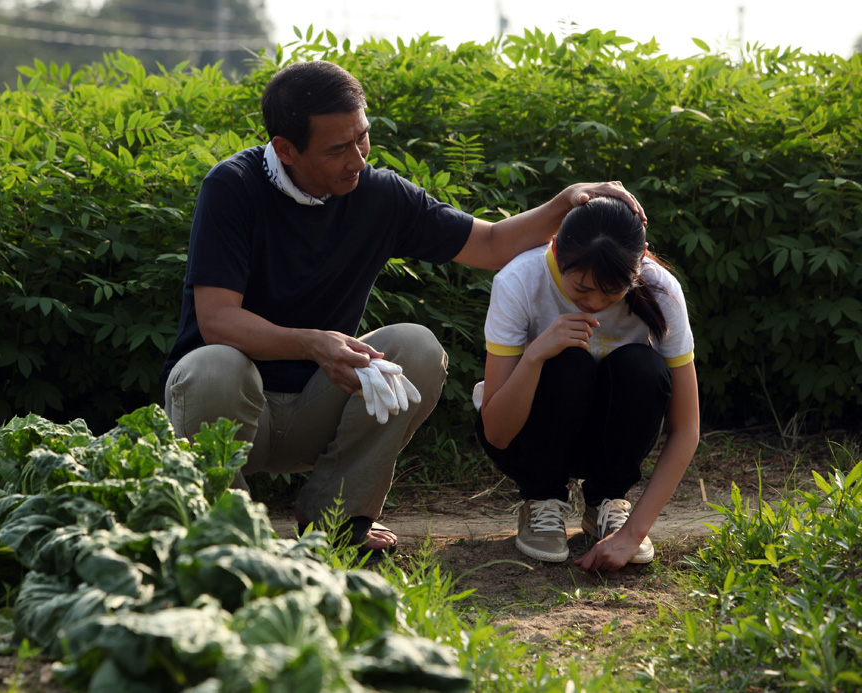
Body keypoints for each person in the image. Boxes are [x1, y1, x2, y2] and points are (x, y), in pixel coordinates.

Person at [159, 60, 645, 552]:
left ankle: (335, 519)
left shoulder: (377, 195)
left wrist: (564, 202)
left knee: (416, 347)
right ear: (285, 149)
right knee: (212, 365)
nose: (357, 158)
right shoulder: (233, 186)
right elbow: (217, 320)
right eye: (337, 148)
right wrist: (313, 344)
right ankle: (232, 533)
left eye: (362, 138)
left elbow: (492, 244)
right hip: (232, 410)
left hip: (314, 404)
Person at [473, 195, 699, 571]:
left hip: (607, 441)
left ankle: (607, 503)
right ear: (556, 248)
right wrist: (535, 355)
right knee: (567, 360)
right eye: (580, 289)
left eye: (612, 293)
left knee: (643, 366)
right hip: (527, 439)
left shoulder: (662, 290)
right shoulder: (519, 280)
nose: (593, 303)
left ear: (640, 258)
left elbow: (687, 428)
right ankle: (542, 500)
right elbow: (496, 432)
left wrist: (634, 535)